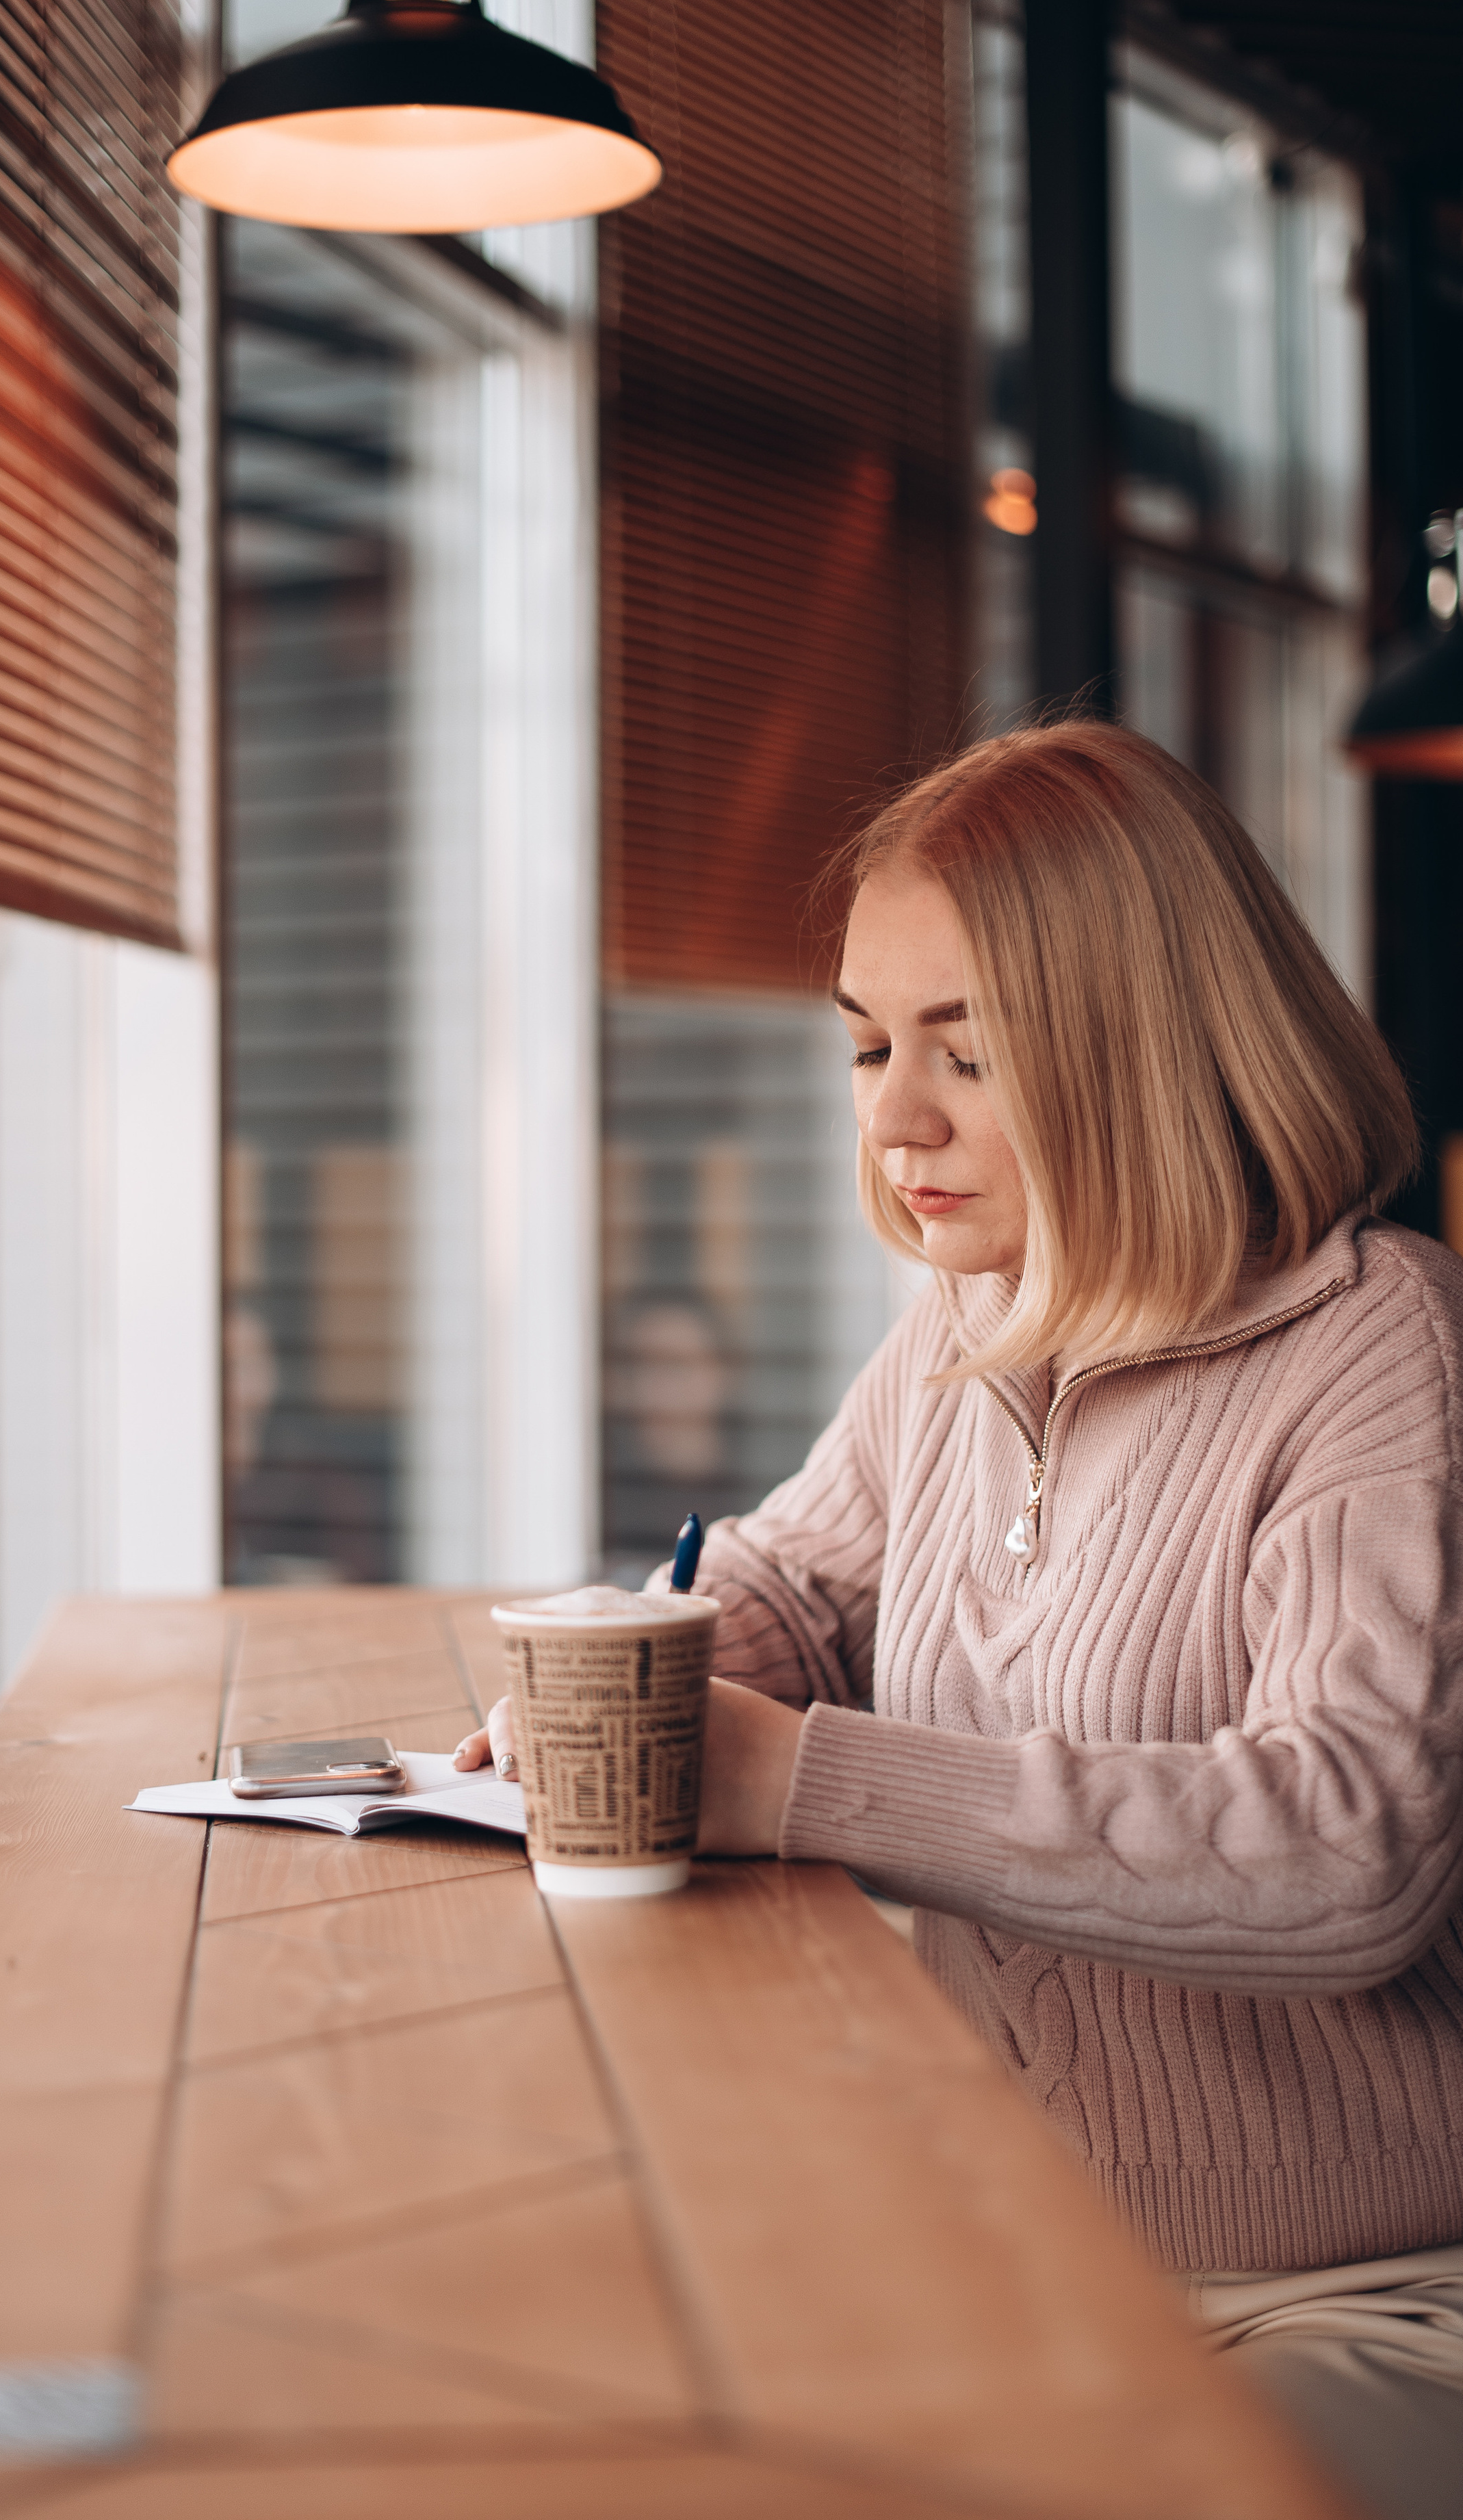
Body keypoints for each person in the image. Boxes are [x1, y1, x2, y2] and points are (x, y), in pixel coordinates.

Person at [456, 723, 1463, 2520]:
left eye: (967, 1052)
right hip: (994, 2230)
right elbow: (796, 1575)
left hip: (1355, 2291)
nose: (893, 1117)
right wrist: (651, 1664)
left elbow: (1350, 1842)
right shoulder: (968, 1319)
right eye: (864, 1042)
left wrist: (801, 1781)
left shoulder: (1381, 1345)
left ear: (1148, 1043)